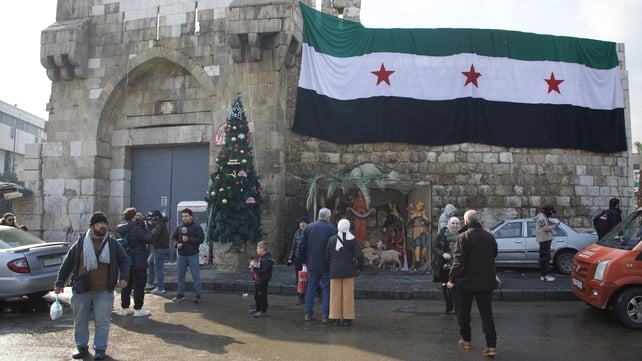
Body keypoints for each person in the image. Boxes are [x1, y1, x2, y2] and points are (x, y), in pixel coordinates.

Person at [54, 212, 130, 361]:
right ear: (92, 226)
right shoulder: (81, 242)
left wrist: (124, 277)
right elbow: (68, 263)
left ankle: (100, 349)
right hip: (82, 290)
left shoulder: (112, 243)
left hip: (104, 290)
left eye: (104, 223)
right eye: (99, 223)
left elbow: (124, 260)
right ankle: (81, 347)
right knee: (80, 321)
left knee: (102, 321)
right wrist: (59, 282)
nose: (103, 226)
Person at [447, 210, 498, 357]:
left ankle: (466, 340)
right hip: (486, 281)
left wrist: (451, 279)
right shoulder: (489, 236)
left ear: (466, 222)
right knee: (486, 313)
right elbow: (494, 254)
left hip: (466, 282)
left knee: (463, 312)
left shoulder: (463, 237)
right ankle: (491, 345)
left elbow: (458, 262)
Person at [298, 207, 336, 323]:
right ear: (328, 217)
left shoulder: (309, 228)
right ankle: (325, 315)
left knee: (311, 288)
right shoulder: (332, 229)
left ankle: (308, 313)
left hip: (312, 263)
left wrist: (303, 261)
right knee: (326, 289)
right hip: (326, 265)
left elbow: (302, 246)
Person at [326, 219, 364, 327]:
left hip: (335, 269)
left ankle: (335, 317)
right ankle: (347, 318)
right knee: (348, 295)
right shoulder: (352, 240)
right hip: (348, 269)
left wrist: (330, 265)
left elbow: (327, 256)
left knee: (334, 295)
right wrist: (359, 267)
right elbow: (359, 255)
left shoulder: (332, 239)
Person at [117, 208, 153, 317]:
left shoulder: (123, 228)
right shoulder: (135, 229)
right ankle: (138, 308)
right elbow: (149, 238)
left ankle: (125, 308)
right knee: (139, 285)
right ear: (134, 217)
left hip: (127, 262)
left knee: (127, 285)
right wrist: (147, 229)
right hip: (138, 261)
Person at [171, 207, 205, 303]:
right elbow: (174, 238)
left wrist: (189, 239)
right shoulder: (180, 227)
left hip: (193, 254)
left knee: (195, 275)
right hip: (181, 254)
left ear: (191, 216)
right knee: (180, 276)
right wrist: (177, 244)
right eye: (183, 216)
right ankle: (180, 294)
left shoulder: (197, 227)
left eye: (186, 216)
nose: (184, 218)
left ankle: (197, 295)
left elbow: (201, 239)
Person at [432, 216, 460, 314]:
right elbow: (434, 247)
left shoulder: (462, 235)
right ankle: (448, 306)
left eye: (457, 223)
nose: (455, 225)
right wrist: (442, 253)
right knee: (445, 287)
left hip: (457, 265)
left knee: (456, 287)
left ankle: (458, 308)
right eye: (453, 223)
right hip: (444, 265)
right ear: (449, 224)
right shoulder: (442, 234)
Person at [287, 215, 310, 305]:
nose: (302, 224)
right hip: (298, 258)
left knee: (309, 277)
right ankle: (300, 297)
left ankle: (318, 292)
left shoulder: (310, 233)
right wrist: (290, 258)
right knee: (299, 279)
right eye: (300, 222)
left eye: (304, 222)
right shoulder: (297, 233)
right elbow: (294, 247)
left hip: (307, 259)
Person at [248, 241, 274, 318]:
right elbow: (259, 266)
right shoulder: (262, 258)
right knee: (257, 295)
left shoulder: (267, 259)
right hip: (258, 279)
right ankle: (258, 308)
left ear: (263, 249)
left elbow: (263, 270)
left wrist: (254, 269)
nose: (257, 249)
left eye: (258, 248)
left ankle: (263, 311)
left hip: (263, 279)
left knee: (262, 294)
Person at [534, 205, 560, 282]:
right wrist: (554, 226)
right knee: (545, 258)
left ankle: (544, 275)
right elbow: (544, 228)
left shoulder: (543, 217)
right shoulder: (542, 218)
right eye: (551, 212)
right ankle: (545, 275)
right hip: (544, 239)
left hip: (545, 239)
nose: (551, 214)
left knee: (545, 257)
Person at [147, 210, 170, 295]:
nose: (151, 219)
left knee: (159, 268)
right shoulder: (159, 223)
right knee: (150, 262)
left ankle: (160, 288)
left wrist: (149, 230)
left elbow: (154, 235)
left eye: (152, 217)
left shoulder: (159, 224)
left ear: (157, 217)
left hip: (160, 248)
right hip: (158, 248)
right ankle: (150, 283)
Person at [408, 201, 430, 268]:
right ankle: (417, 263)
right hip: (416, 231)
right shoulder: (413, 213)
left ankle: (421, 259)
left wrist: (425, 219)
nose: (419, 207)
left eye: (421, 206)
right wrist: (413, 217)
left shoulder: (424, 213)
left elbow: (428, 223)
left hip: (423, 231)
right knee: (417, 246)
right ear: (416, 205)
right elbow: (409, 223)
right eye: (418, 205)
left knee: (424, 247)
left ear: (422, 207)